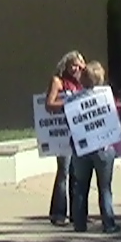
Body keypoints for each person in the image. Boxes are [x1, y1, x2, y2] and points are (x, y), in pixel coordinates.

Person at [66, 60, 121, 234]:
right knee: (105, 188)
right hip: (103, 149)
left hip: (81, 148)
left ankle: (79, 224)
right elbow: (115, 121)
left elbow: (70, 122)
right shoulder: (108, 97)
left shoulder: (74, 99)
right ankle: (109, 224)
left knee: (81, 186)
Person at [44, 51, 86, 227]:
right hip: (62, 134)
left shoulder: (82, 83)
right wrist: (68, 103)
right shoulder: (58, 82)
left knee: (77, 173)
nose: (76, 68)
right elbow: (49, 104)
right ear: (66, 66)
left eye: (79, 65)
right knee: (64, 172)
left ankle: (77, 213)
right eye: (73, 65)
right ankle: (58, 213)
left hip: (79, 134)